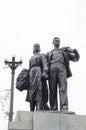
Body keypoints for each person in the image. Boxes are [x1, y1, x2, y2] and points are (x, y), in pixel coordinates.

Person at [46, 37, 80, 111]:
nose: (57, 42)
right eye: (56, 41)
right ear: (53, 42)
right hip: (52, 70)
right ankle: (53, 108)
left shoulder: (64, 52)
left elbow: (75, 58)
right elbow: (44, 64)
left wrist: (76, 53)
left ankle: (64, 107)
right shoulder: (48, 53)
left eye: (58, 41)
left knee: (63, 88)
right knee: (52, 90)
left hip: (62, 69)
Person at [26, 43, 49, 111]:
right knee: (31, 92)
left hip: (39, 72)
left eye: (38, 46)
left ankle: (39, 108)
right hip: (31, 75)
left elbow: (45, 63)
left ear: (39, 48)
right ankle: (31, 109)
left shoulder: (42, 55)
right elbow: (29, 68)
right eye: (35, 46)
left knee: (39, 89)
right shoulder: (31, 58)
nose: (36, 47)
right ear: (33, 49)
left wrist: (45, 71)